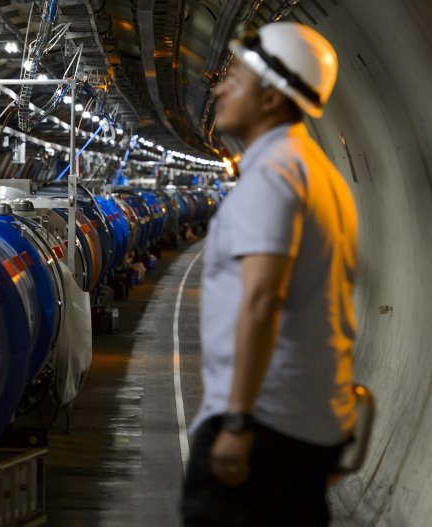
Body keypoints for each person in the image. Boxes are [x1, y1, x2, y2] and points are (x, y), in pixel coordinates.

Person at [181, 22, 358, 527]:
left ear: (272, 99)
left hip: (261, 425)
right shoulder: (316, 172)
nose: (218, 87)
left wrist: (236, 422)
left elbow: (262, 299)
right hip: (305, 421)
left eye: (235, 77)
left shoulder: (274, 176)